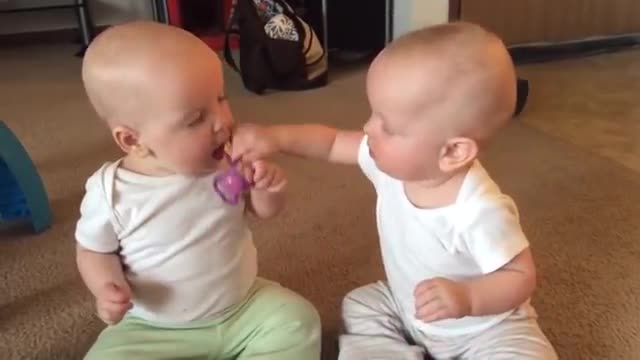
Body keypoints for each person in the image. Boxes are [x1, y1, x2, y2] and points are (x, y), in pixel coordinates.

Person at [231, 22, 557, 359]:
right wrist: (277, 138)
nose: (368, 128)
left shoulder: (479, 209)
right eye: (374, 114)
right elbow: (331, 143)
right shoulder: (393, 166)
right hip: (410, 308)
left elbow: (520, 276)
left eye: (388, 125)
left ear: (453, 152)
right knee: (361, 303)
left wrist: (467, 298)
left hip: (484, 330)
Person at [75, 21, 321, 360]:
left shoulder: (226, 162)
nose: (222, 121)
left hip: (243, 307)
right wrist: (106, 288)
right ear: (133, 140)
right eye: (195, 119)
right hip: (153, 327)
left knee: (297, 321)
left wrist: (268, 188)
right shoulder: (112, 192)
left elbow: (262, 211)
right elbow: (93, 251)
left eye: (220, 99)